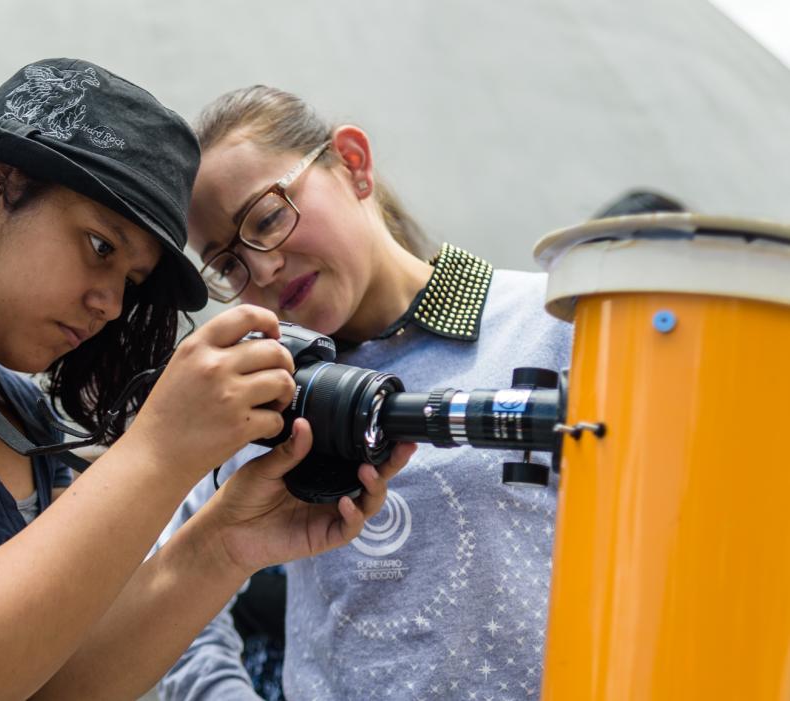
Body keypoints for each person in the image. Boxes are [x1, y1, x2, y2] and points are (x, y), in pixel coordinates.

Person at [0, 60, 415, 700]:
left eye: (130, 281)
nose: (111, 303)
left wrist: (224, 544)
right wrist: (159, 449)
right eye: (99, 246)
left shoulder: (21, 413)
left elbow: (49, 685)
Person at [156, 86, 574, 700]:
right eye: (228, 264)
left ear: (352, 164)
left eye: (267, 219)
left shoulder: (553, 327)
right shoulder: (266, 394)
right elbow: (171, 593)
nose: (262, 269)